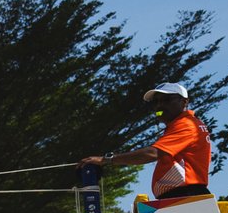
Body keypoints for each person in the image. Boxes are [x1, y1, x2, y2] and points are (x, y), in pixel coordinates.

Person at [83, 82, 212, 201]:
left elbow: (152, 153)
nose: (160, 105)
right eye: (156, 101)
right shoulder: (184, 124)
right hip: (184, 196)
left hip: (185, 196)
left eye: (166, 99)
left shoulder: (186, 125)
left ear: (184, 102)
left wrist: (106, 160)